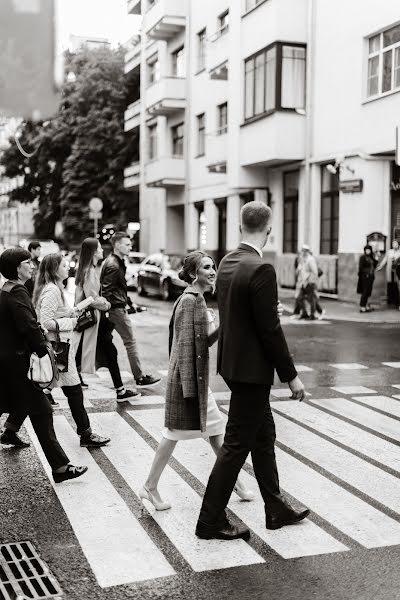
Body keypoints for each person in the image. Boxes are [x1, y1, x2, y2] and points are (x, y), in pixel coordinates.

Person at [196, 200, 309, 541]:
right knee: (235, 446)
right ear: (270, 230)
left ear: (239, 227)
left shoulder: (229, 260)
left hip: (232, 364)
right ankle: (209, 520)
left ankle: (275, 507)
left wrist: (263, 308)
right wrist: (290, 375)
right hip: (250, 371)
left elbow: (236, 311)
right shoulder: (262, 268)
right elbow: (269, 330)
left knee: (263, 436)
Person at [140, 251, 254, 512]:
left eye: (213, 266)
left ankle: (236, 483)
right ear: (193, 274)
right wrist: (189, 388)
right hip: (189, 382)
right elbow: (183, 346)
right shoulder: (191, 301)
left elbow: (201, 341)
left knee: (215, 433)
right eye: (206, 267)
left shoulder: (197, 299)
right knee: (173, 434)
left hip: (195, 381)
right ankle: (149, 486)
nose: (213, 271)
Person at [0, 248, 88, 482]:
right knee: (42, 410)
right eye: (27, 262)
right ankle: (60, 467)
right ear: (17, 268)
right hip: (20, 364)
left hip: (12, 362)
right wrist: (43, 350)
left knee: (39, 410)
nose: (32, 266)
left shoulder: (7, 289)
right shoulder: (17, 290)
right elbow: (28, 325)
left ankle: (59, 466)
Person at [33, 253, 110, 447]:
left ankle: (11, 427)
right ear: (54, 270)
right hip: (59, 350)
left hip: (60, 349)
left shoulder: (55, 289)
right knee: (74, 392)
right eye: (64, 265)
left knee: (37, 392)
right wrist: (73, 322)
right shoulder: (52, 291)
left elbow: (55, 313)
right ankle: (86, 434)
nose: (68, 268)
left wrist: (73, 310)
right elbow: (45, 322)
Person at [74, 238, 139, 402]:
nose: (102, 250)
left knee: (94, 353)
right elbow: (91, 298)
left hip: (96, 321)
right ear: (93, 252)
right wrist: (106, 304)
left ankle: (120, 390)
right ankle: (47, 386)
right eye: (100, 248)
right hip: (95, 320)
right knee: (108, 353)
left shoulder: (90, 269)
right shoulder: (89, 271)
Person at [101, 232, 160, 390]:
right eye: (127, 244)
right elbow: (107, 291)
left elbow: (120, 287)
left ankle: (77, 369)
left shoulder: (117, 262)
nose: (130, 247)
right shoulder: (113, 265)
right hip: (116, 310)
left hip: (117, 308)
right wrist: (112, 309)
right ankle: (139, 377)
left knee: (104, 344)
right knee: (130, 342)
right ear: (117, 246)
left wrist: (129, 302)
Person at [376, 239, 400, 308]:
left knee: (398, 287)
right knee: (391, 286)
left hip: (398, 272)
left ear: (398, 244)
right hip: (390, 272)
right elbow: (385, 260)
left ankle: (399, 304)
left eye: (396, 243)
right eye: (393, 243)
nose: (394, 245)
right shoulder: (389, 252)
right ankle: (393, 302)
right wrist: (380, 266)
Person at [357, 244, 378, 313]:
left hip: (371, 277)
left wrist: (376, 258)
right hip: (365, 277)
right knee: (365, 292)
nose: (368, 251)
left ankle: (366, 305)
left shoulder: (371, 257)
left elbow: (375, 265)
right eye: (366, 250)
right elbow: (361, 268)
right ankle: (362, 306)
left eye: (369, 250)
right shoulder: (362, 257)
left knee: (368, 292)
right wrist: (365, 274)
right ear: (365, 250)